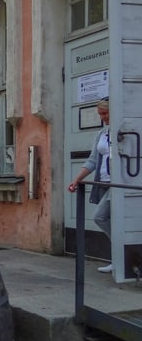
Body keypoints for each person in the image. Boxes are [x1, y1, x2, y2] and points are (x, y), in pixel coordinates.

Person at [68, 97, 113, 273]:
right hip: (103, 183)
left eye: (105, 113)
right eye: (100, 114)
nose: (102, 117)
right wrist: (76, 179)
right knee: (111, 221)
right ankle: (119, 259)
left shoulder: (125, 130)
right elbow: (93, 160)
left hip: (118, 185)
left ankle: (122, 257)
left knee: (100, 217)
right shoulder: (102, 134)